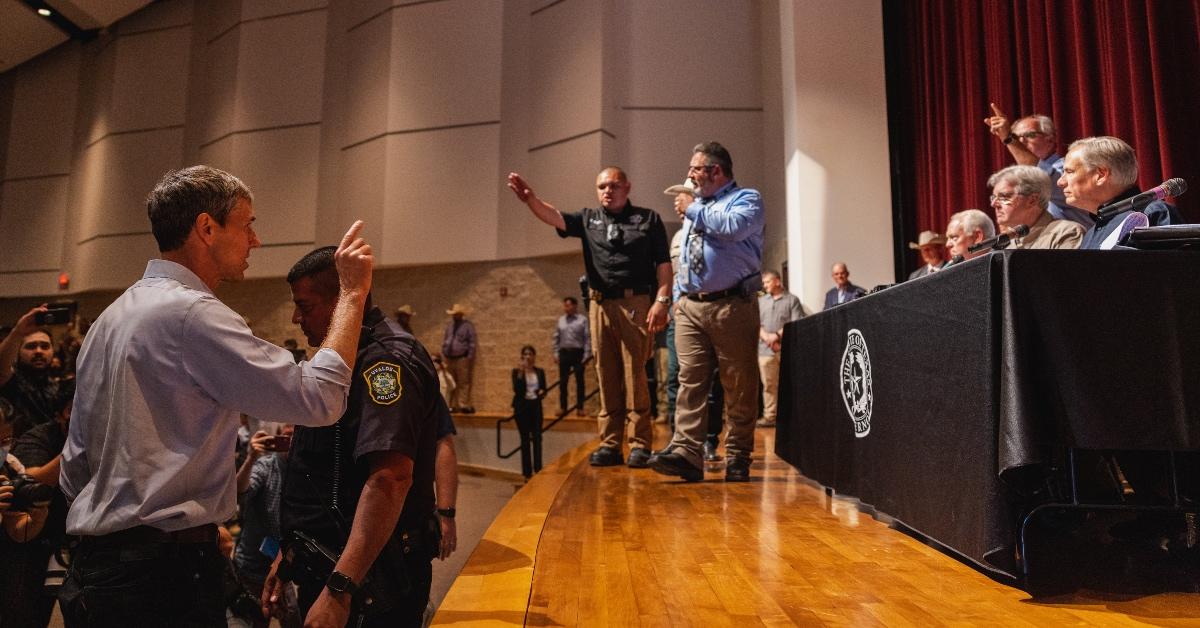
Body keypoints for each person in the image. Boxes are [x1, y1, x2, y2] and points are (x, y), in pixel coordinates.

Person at [57, 165, 375, 626]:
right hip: (160, 580)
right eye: (247, 224)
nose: (255, 240)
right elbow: (320, 397)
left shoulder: (110, 317)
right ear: (207, 228)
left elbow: (75, 465)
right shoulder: (192, 314)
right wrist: (351, 294)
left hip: (99, 569)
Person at [264, 245, 446, 627]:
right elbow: (323, 473)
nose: (296, 317)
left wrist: (339, 589)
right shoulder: (338, 360)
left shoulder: (384, 361)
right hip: (331, 563)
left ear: (342, 301)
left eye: (305, 305)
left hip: (369, 580)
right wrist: (289, 554)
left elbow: (390, 478)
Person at [506, 167, 671, 469]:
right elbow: (556, 217)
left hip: (635, 302)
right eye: (602, 186)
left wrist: (662, 300)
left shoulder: (648, 219)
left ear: (627, 187)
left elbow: (663, 263)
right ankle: (610, 444)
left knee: (635, 375)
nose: (608, 191)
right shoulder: (588, 219)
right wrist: (530, 200)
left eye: (614, 185)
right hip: (599, 305)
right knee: (606, 374)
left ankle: (639, 444)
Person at [650, 141, 765, 483]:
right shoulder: (695, 207)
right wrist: (677, 301)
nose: (688, 175)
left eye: (694, 169)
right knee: (690, 381)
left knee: (738, 384)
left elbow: (733, 227)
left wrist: (693, 210)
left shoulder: (747, 199)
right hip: (690, 306)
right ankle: (687, 452)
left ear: (716, 171)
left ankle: (738, 454)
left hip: (732, 305)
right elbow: (686, 255)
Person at [0, 380, 71, 628]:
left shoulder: (11, 467)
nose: (2, 446)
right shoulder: (41, 437)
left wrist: (37, 517)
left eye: (6, 439)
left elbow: (18, 531)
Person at [1058, 136, 1182, 250]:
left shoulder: (1153, 213)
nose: (1060, 182)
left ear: (1101, 175)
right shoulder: (1090, 235)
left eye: (1069, 171)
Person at [234, 425, 300, 628]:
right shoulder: (265, 465)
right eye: (285, 438)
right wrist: (251, 457)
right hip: (251, 567)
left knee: (295, 621)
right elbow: (240, 492)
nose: (289, 444)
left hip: (281, 568)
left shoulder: (302, 471)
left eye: (294, 439)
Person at [983, 105, 1092, 227]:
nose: (1021, 141)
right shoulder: (1018, 181)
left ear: (1050, 139)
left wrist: (1008, 138)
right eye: (1016, 137)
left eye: (1030, 135)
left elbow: (1042, 178)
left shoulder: (1069, 167)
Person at [988, 165, 1084, 250]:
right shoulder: (1005, 246)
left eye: (1004, 197)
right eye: (994, 197)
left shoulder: (1066, 233)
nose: (993, 204)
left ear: (1032, 200)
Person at [0, 308, 60, 439]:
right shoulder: (13, 381)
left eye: (45, 346)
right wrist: (18, 332)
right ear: (18, 352)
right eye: (31, 346)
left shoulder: (58, 386)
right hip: (20, 453)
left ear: (53, 352)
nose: (39, 351)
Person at [756, 270, 803, 428]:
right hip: (765, 351)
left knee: (789, 384)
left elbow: (795, 322)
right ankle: (770, 416)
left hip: (786, 350)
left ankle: (791, 415)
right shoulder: (761, 301)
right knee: (769, 385)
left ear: (777, 281)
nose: (765, 285)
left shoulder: (792, 300)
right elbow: (756, 323)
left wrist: (776, 336)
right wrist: (767, 338)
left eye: (767, 282)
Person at [510, 345, 547, 478]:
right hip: (522, 408)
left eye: (530, 354)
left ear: (534, 356)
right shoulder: (516, 372)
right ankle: (527, 473)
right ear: (522, 357)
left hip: (536, 407)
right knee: (525, 440)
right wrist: (521, 372)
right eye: (525, 354)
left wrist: (543, 392)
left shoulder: (540, 372)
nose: (528, 357)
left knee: (537, 438)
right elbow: (517, 390)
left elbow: (544, 388)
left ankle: (538, 469)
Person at [551, 297, 590, 417]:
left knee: (580, 382)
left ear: (574, 306)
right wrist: (556, 353)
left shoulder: (582, 320)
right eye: (565, 306)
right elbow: (556, 338)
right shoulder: (561, 320)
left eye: (568, 306)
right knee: (563, 382)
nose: (566, 308)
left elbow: (587, 338)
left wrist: (586, 355)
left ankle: (580, 408)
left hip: (578, 353)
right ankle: (563, 408)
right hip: (564, 353)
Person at [441, 304, 476, 413]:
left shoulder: (468, 326)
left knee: (463, 382)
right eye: (454, 314)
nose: (455, 316)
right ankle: (451, 405)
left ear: (461, 315)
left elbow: (472, 342)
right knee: (450, 383)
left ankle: (462, 405)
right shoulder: (450, 327)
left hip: (461, 358)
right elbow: (446, 339)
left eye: (457, 314)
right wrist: (444, 352)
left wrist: (469, 357)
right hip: (449, 358)